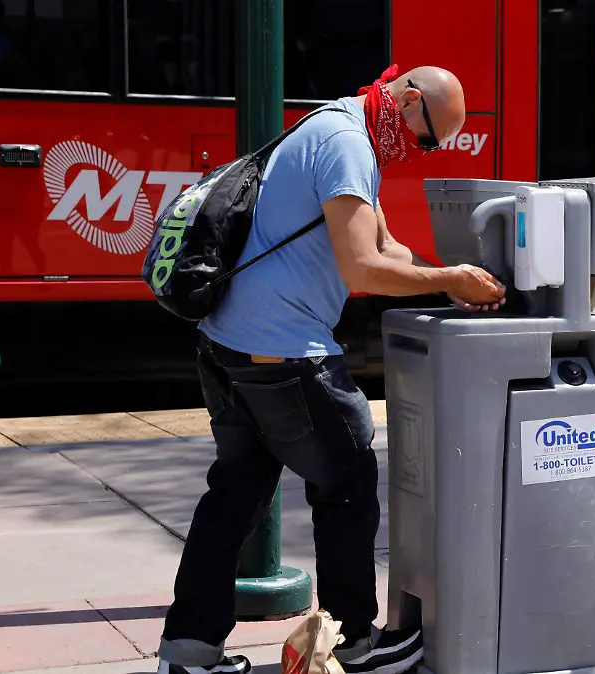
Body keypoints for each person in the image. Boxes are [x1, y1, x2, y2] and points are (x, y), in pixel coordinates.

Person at [156, 65, 506, 674]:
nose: (421, 153)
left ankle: (187, 652)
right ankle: (358, 645)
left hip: (226, 344)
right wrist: (447, 277)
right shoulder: (349, 145)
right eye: (428, 140)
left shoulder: (338, 122)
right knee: (346, 485)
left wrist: (447, 283)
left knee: (233, 497)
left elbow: (388, 247)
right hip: (284, 352)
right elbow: (364, 268)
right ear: (411, 100)